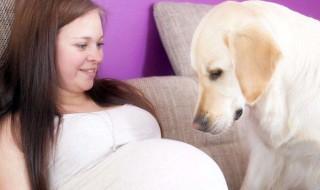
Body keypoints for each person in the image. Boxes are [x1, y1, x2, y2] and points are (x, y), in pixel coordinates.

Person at [0, 0, 228, 189]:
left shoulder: (116, 94)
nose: (97, 57)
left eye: (99, 44)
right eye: (82, 45)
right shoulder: (16, 129)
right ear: (42, 48)